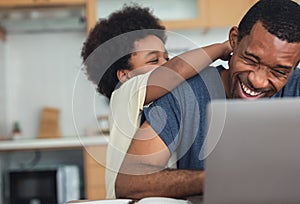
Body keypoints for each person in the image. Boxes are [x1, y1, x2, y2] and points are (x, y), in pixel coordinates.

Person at [116, 0, 300, 200]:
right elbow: (129, 182)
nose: (258, 80)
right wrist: (215, 177)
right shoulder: (187, 94)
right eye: (251, 60)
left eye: (278, 72)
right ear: (234, 40)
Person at [81, 5, 232, 199]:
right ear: (125, 75)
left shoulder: (164, 101)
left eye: (166, 58)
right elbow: (174, 70)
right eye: (154, 61)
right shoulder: (126, 90)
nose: (164, 65)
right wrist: (221, 48)